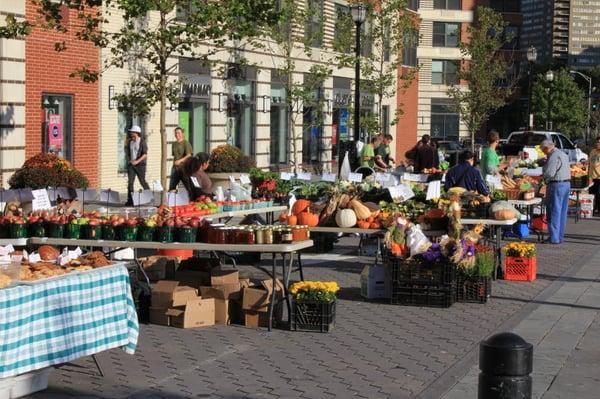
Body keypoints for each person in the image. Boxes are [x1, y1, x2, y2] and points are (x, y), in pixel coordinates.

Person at [541, 139, 571, 244]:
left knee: (554, 211)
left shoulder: (553, 156)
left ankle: (554, 238)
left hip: (556, 184)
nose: (544, 153)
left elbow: (550, 173)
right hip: (566, 184)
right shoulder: (562, 154)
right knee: (562, 211)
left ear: (547, 148)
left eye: (543, 150)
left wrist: (543, 173)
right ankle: (559, 236)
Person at [125, 125, 149, 205]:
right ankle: (130, 201)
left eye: (132, 132)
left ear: (136, 133)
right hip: (131, 165)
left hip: (140, 165)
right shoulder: (130, 142)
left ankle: (149, 199)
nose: (131, 133)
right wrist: (129, 161)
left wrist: (137, 161)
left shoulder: (142, 142)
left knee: (142, 182)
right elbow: (128, 153)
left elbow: (145, 154)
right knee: (130, 183)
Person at [169, 127, 193, 191]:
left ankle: (191, 199)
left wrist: (180, 161)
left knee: (187, 186)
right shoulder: (174, 144)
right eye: (176, 133)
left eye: (179, 133)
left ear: (182, 134)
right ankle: (172, 200)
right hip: (175, 168)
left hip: (183, 168)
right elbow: (175, 156)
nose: (177, 135)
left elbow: (189, 155)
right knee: (172, 186)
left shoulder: (186, 143)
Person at [589, 136, 600, 216]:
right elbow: (590, 162)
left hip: (599, 177)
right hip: (592, 177)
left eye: (599, 142)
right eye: (597, 142)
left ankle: (598, 210)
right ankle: (593, 209)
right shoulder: (593, 151)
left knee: (599, 195)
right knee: (592, 194)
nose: (597, 143)